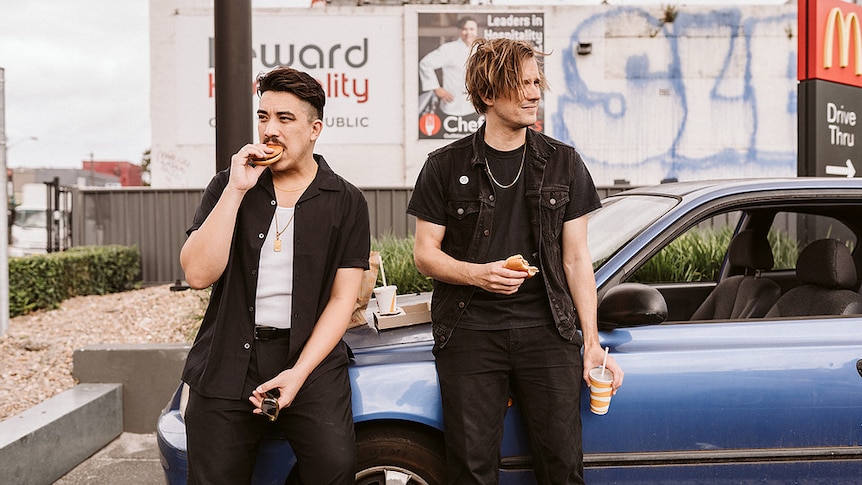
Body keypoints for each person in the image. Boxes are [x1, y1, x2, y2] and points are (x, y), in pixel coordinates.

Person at [407, 38, 624, 484]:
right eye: (521, 84)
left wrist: (591, 343)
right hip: (469, 333)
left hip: (548, 331)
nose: (534, 94)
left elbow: (576, 259)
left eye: (535, 83)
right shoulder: (444, 166)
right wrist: (478, 275)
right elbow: (424, 254)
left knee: (562, 467)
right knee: (471, 469)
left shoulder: (564, 163)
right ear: (488, 95)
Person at [179, 66, 370, 484]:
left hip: (310, 361)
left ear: (314, 128)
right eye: (263, 117)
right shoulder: (230, 185)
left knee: (335, 469)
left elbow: (343, 299)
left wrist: (298, 374)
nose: (270, 130)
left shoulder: (346, 201)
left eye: (285, 119)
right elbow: (197, 273)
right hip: (229, 358)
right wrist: (236, 189)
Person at [418, 16, 479, 117]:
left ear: (476, 31)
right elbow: (425, 63)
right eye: (464, 29)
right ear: (459, 31)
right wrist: (436, 88)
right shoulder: (449, 49)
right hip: (451, 107)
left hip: (473, 108)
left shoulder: (480, 49)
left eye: (471, 29)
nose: (468, 33)